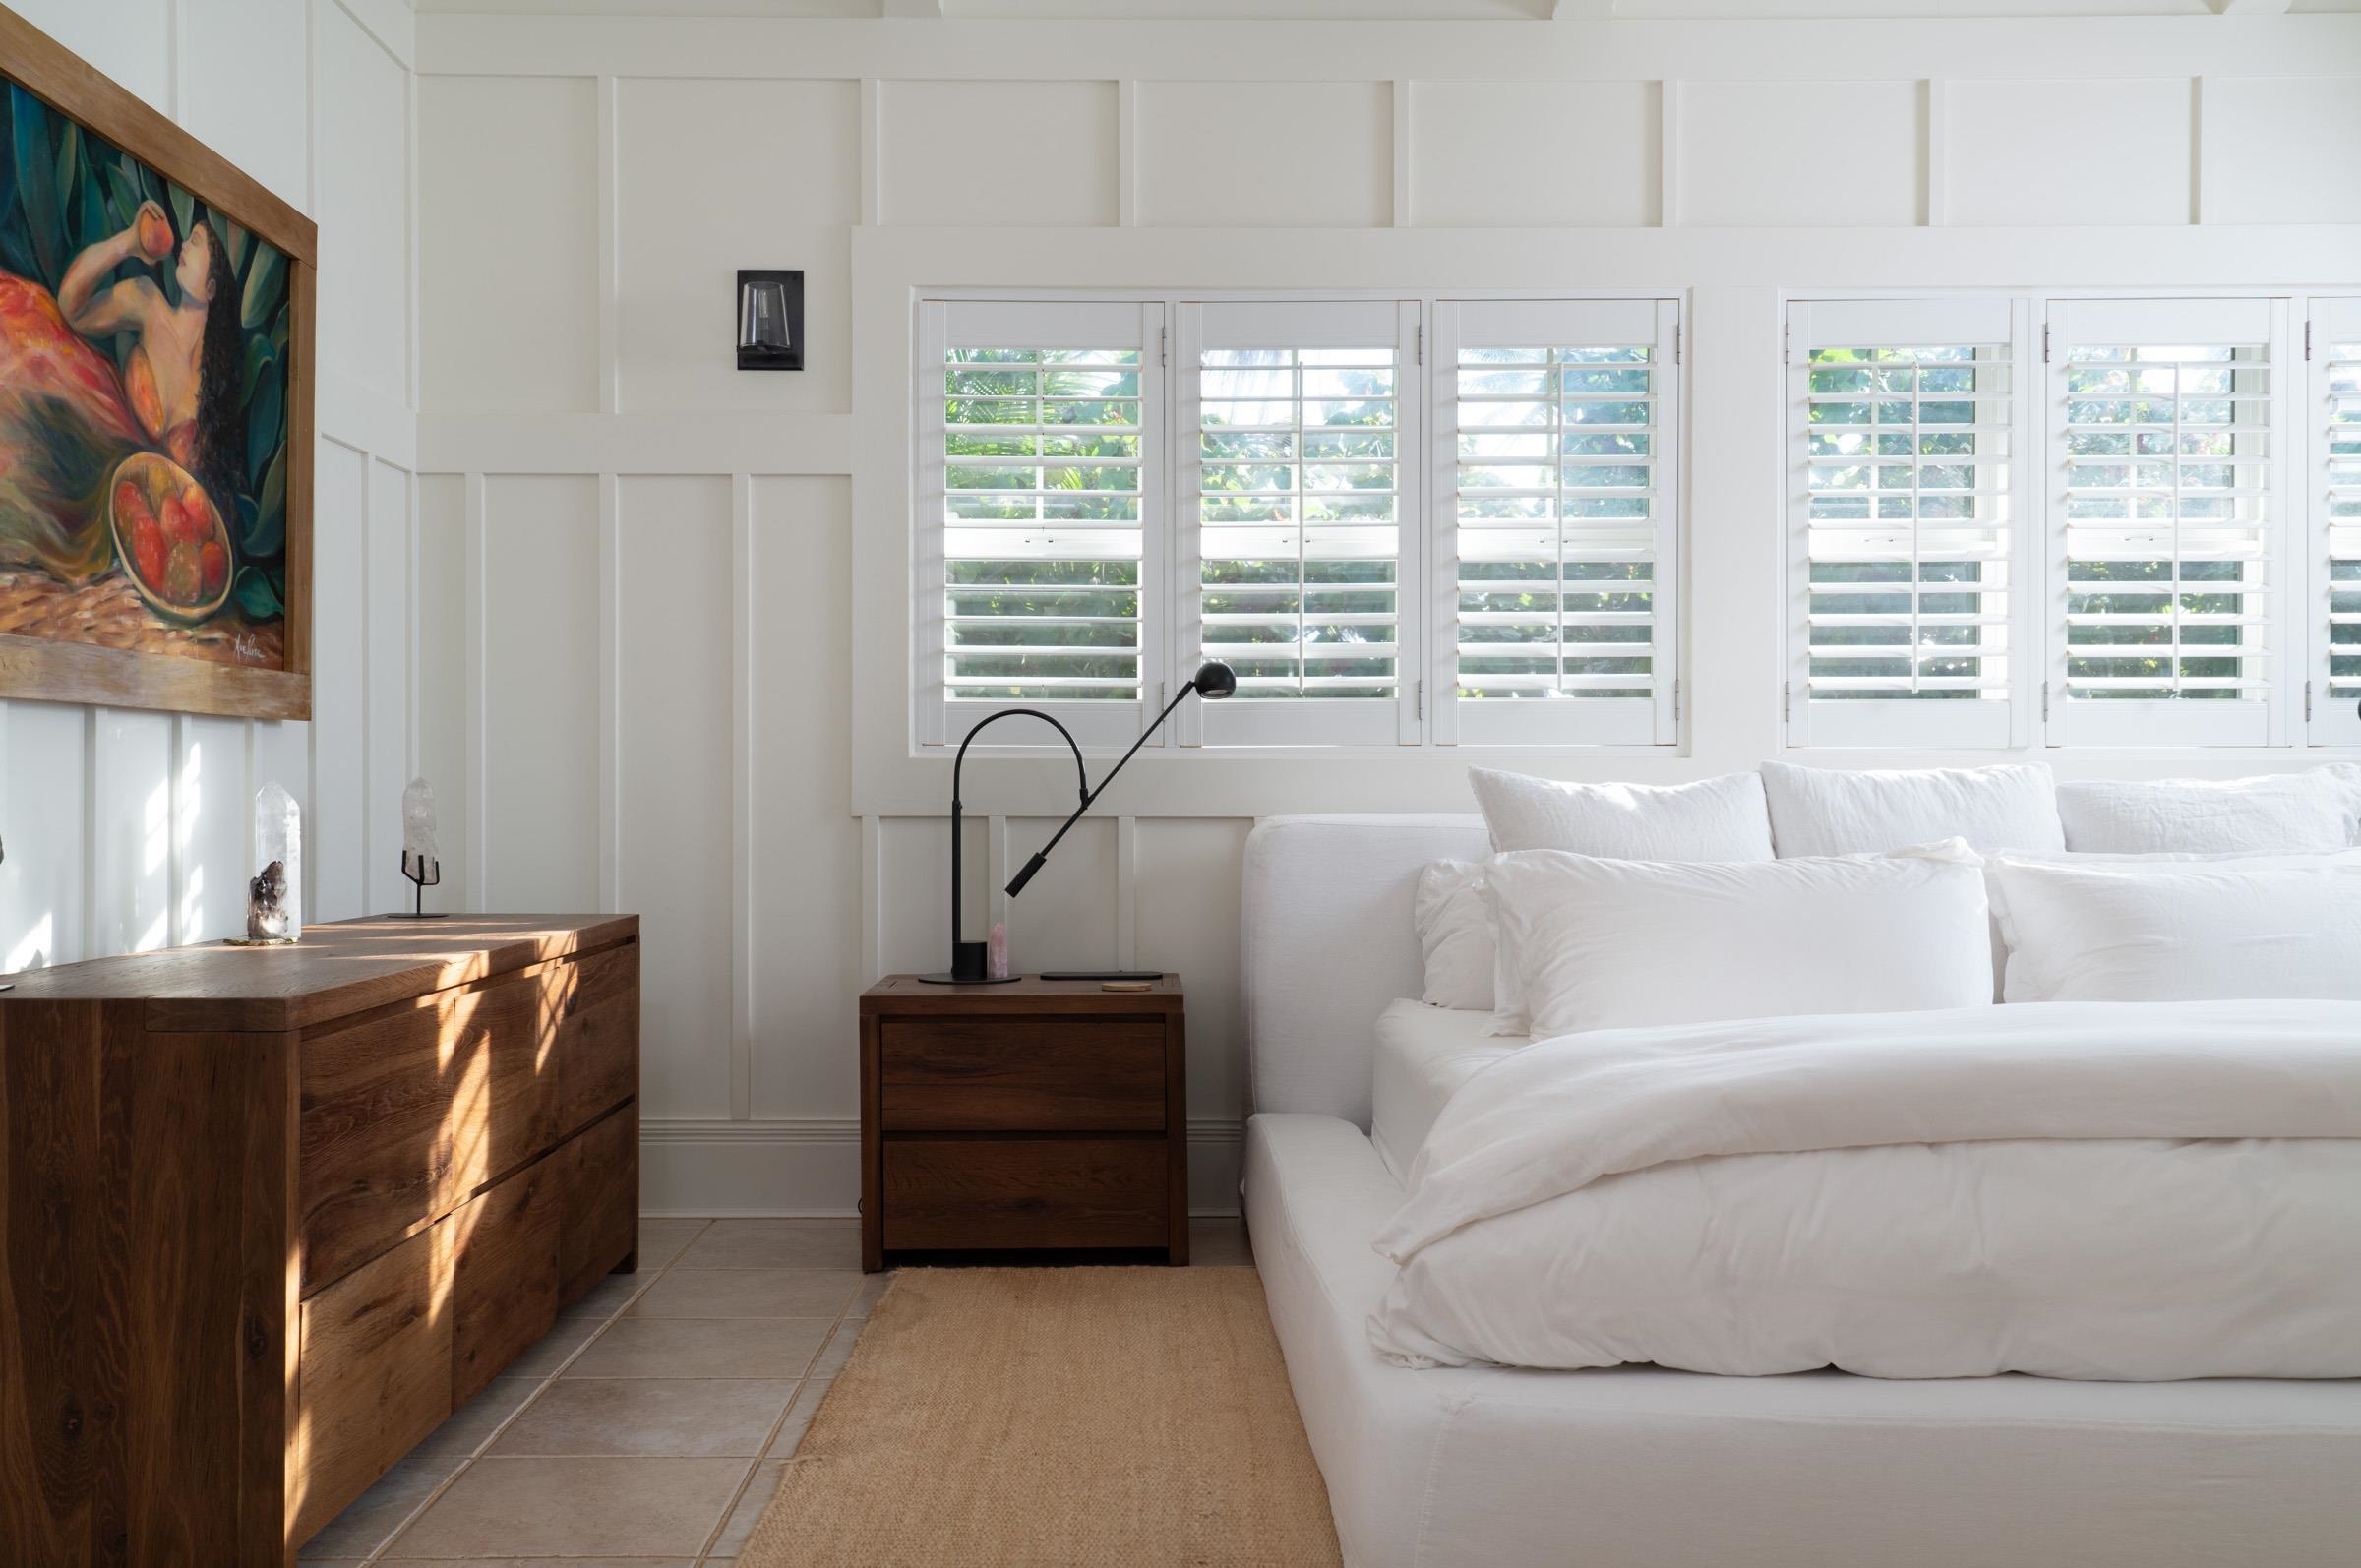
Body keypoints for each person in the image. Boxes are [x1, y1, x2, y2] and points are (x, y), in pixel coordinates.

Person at [0, 199, 237, 586]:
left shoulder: (213, 383)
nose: (185, 247)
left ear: (211, 288)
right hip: (98, 444)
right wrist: (129, 242)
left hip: (146, 515)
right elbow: (72, 306)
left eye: (196, 243)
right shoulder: (148, 303)